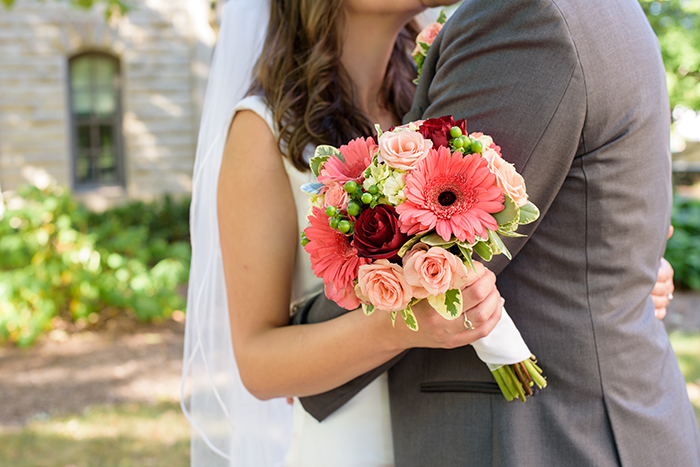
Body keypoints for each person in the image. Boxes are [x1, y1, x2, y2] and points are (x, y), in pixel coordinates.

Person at [180, 0, 684, 465]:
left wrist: (622, 276)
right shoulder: (262, 129)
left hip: (444, 430)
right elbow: (258, 363)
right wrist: (400, 321)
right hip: (350, 435)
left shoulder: (439, 89)